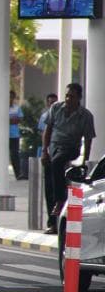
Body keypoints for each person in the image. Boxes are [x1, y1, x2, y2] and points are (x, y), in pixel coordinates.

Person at [42, 83, 96, 234]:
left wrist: (85, 162)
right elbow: (47, 131)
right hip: (53, 148)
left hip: (70, 148)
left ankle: (60, 201)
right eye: (66, 95)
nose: (67, 99)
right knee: (49, 185)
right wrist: (44, 152)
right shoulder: (56, 108)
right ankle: (53, 223)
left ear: (79, 98)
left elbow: (89, 140)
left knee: (58, 162)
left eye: (71, 96)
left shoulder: (85, 116)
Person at [38, 93, 58, 230]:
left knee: (59, 191)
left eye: (54, 103)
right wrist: (45, 152)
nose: (52, 105)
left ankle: (57, 221)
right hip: (50, 156)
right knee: (50, 190)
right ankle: (52, 221)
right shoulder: (45, 117)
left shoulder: (63, 115)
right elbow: (43, 133)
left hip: (61, 157)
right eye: (50, 103)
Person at [9, 90, 25, 180]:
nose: (10, 99)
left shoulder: (16, 108)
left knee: (15, 154)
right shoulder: (2, 107)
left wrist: (10, 120)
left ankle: (18, 173)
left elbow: (20, 119)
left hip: (14, 135)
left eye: (11, 97)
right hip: (3, 136)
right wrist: (12, 120)